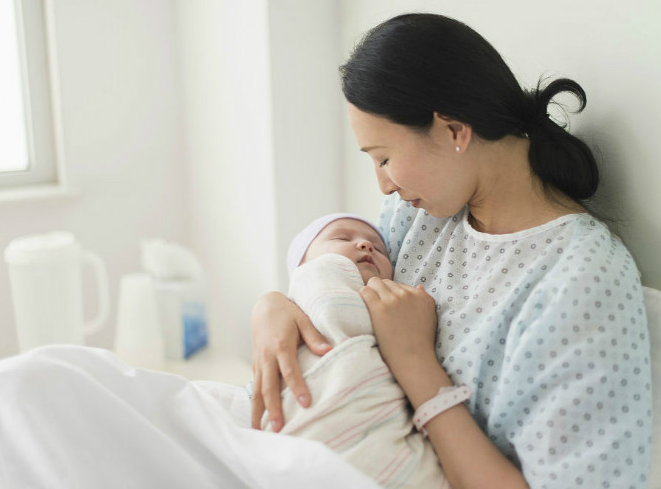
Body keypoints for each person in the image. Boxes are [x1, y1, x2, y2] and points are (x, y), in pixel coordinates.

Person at [249, 13, 653, 489]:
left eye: (384, 157)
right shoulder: (419, 215)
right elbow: (341, 301)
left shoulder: (583, 285)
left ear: (453, 131)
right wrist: (273, 307)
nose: (383, 183)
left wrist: (416, 362)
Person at [263, 213, 448, 488]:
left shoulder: (397, 309)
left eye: (380, 248)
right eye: (342, 237)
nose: (365, 245)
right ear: (300, 265)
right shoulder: (311, 284)